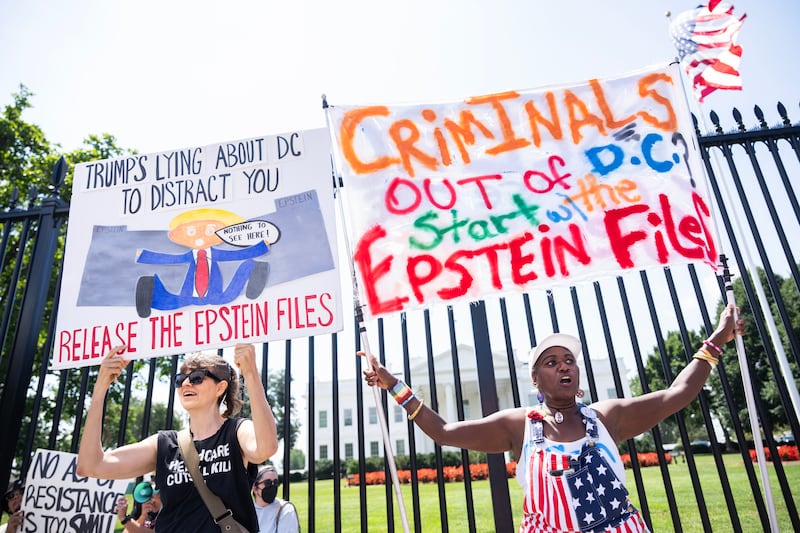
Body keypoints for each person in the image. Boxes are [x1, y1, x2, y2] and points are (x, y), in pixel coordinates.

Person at [363, 304, 744, 533]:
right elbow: (444, 432)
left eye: (569, 360)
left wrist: (715, 341)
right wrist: (393, 385)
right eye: (551, 362)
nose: (564, 366)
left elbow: (676, 395)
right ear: (535, 379)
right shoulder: (519, 426)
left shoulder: (605, 418)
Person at [77, 343, 278, 532]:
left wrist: (250, 374)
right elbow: (91, 465)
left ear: (220, 388)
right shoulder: (164, 444)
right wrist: (100, 387)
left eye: (197, 377)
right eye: (180, 379)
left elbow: (265, 448)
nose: (186, 383)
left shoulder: (236, 431)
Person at [135, 207, 270, 318]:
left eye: (210, 230)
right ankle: (147, 285)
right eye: (192, 231)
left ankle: (255, 267)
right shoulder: (189, 256)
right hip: (188, 298)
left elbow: (237, 254)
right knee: (166, 302)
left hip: (216, 296)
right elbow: (170, 259)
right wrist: (144, 255)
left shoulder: (216, 254)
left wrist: (262, 246)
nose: (200, 235)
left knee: (232, 291)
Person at [251, 465, 299, 533]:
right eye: (267, 483)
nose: (272, 486)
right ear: (255, 488)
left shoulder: (286, 510)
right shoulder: (247, 511)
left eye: (275, 482)